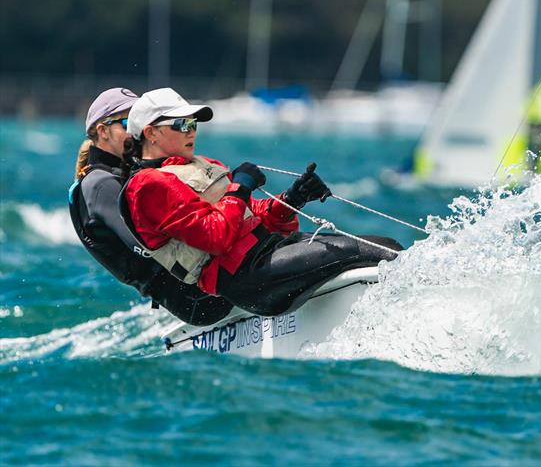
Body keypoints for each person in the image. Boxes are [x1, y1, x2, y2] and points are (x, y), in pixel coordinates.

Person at [120, 87, 402, 317]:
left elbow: (254, 215)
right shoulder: (148, 186)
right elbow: (215, 237)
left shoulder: (203, 164)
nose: (191, 131)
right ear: (151, 133)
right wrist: (240, 188)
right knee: (370, 252)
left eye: (193, 123)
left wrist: (293, 198)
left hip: (269, 251)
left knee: (384, 243)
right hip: (243, 277)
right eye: (181, 124)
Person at [69, 88, 233, 325]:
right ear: (103, 131)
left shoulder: (134, 173)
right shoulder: (101, 184)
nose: (136, 128)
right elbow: (149, 247)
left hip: (204, 286)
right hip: (198, 301)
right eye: (127, 122)